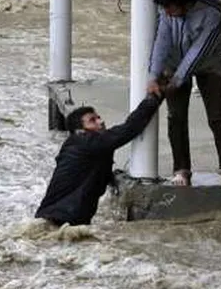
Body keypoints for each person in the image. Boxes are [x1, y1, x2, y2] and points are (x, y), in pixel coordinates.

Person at [146, 0, 221, 191]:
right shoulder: (166, 9)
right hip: (173, 63)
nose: (166, 13)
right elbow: (161, 40)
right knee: (176, 117)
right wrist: (153, 76)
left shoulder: (216, 12)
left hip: (208, 63)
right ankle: (181, 169)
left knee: (218, 116)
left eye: (170, 9)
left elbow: (199, 51)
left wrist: (177, 81)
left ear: (186, 4)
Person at [35, 91, 165, 226]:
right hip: (64, 220)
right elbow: (129, 128)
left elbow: (89, 173)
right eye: (93, 120)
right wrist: (153, 97)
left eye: (99, 117)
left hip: (55, 219)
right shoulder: (89, 142)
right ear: (80, 131)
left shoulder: (77, 146)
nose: (101, 121)